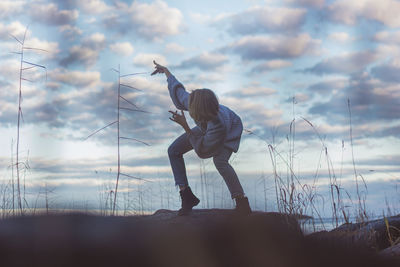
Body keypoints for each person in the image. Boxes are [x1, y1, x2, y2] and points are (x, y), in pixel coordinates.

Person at [152, 60, 251, 216]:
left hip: (231, 128)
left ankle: (241, 201)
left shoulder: (218, 126)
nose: (188, 104)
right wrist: (166, 71)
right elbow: (179, 93)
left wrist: (185, 126)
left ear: (199, 110)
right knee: (173, 150)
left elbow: (203, 150)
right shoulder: (194, 102)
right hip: (207, 126)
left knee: (220, 161)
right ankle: (187, 196)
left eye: (191, 106)